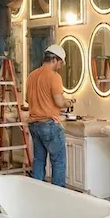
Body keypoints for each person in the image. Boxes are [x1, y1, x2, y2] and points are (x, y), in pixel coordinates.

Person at [26, 45, 74, 187]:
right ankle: (58, 195)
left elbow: (28, 99)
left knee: (39, 160)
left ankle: (37, 191)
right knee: (58, 161)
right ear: (54, 59)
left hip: (34, 125)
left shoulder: (32, 75)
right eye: (60, 62)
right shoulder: (54, 77)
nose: (60, 66)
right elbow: (59, 102)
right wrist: (68, 102)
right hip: (49, 125)